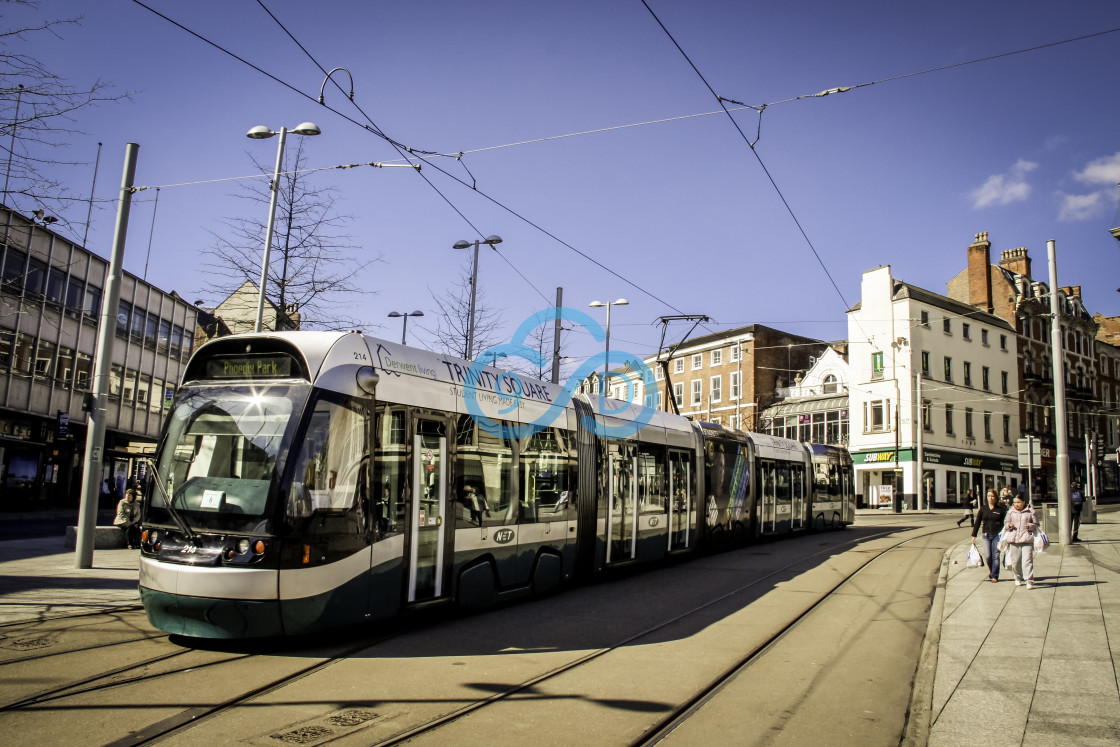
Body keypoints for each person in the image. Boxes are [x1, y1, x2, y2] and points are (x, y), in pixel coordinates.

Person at [1004, 493, 1039, 588]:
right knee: (1016, 562)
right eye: (1014, 502)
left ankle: (1029, 580)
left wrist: (1030, 526)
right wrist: (1009, 525)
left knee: (1027, 561)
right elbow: (1006, 524)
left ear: (1024, 502)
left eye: (1018, 502)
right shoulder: (1011, 512)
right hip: (1014, 540)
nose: (1016, 504)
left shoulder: (1031, 511)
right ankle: (1018, 577)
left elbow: (1036, 524)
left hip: (1026, 539)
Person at [971, 488, 1007, 583]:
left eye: (992, 496)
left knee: (995, 556)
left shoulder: (1001, 510)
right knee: (987, 556)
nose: (990, 498)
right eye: (988, 496)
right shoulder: (983, 509)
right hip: (986, 535)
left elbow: (1005, 523)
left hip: (997, 536)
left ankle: (995, 576)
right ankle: (991, 570)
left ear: (996, 498)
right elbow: (977, 522)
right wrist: (974, 535)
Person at [114, 481, 141, 549]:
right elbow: (120, 513)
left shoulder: (136, 504)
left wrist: (134, 521)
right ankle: (129, 544)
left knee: (137, 527)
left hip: (132, 521)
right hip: (122, 520)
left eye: (129, 495)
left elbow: (138, 514)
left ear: (133, 497)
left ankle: (138, 543)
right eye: (127, 495)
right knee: (130, 527)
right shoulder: (122, 502)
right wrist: (129, 522)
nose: (127, 496)